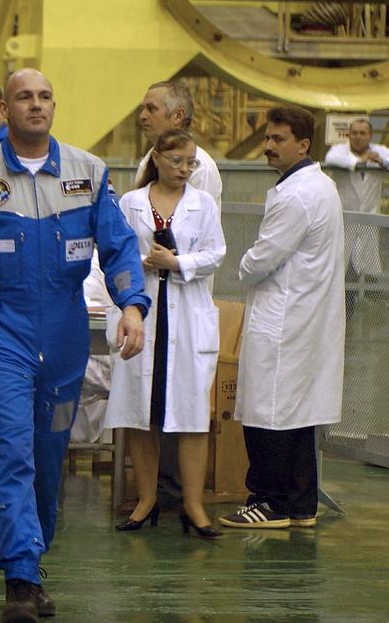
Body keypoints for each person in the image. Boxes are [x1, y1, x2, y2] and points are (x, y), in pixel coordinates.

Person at [0, 69, 149, 623]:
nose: (36, 105)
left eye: (44, 97)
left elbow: (118, 248)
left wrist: (133, 305)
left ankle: (33, 563)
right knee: (13, 450)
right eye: (24, 97)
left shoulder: (88, 173)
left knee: (48, 459)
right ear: (6, 109)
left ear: (54, 106)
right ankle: (18, 579)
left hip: (65, 335)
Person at [220, 107, 344, 530]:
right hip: (302, 318)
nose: (269, 147)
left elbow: (259, 261)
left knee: (267, 413)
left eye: (278, 139)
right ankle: (301, 505)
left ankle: (269, 502)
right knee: (295, 416)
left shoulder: (296, 195)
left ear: (304, 144)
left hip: (285, 318)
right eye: (268, 139)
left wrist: (245, 261)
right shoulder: (321, 186)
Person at [105, 129, 226, 539]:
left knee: (191, 415)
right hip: (144, 313)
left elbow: (216, 253)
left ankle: (193, 505)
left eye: (191, 162)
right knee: (142, 414)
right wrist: (147, 261)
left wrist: (177, 262)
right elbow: (116, 254)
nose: (185, 169)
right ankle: (146, 500)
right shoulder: (131, 203)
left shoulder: (202, 203)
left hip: (187, 316)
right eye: (177, 161)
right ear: (156, 158)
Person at [134, 81, 222, 206]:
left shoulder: (201, 168)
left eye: (151, 109)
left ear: (178, 116)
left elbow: (200, 221)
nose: (142, 116)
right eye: (143, 109)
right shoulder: (149, 159)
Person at [324, 118, 388, 278]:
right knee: (340, 269)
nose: (357, 136)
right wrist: (359, 161)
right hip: (344, 219)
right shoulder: (339, 150)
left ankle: (362, 299)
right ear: (348, 135)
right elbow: (330, 159)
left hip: (369, 218)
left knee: (365, 270)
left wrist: (382, 161)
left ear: (370, 135)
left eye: (362, 133)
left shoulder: (380, 151)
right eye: (354, 133)